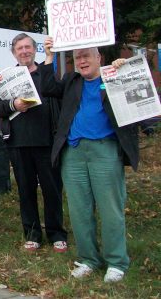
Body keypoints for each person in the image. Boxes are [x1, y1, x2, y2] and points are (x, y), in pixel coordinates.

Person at [41, 38, 138, 283]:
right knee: (79, 210)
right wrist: (50, 57)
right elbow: (48, 87)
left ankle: (116, 262)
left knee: (110, 209)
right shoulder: (72, 81)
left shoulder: (112, 77)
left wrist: (125, 67)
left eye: (87, 56)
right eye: (78, 57)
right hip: (73, 153)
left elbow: (137, 96)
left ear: (99, 59)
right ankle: (88, 259)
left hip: (104, 151)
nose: (82, 61)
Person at [0, 34, 67, 252]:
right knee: (26, 190)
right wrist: (13, 104)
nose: (24, 51)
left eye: (28, 47)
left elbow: (59, 95)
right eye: (19, 49)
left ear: (35, 50)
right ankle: (32, 234)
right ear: (14, 53)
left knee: (52, 190)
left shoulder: (46, 72)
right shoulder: (7, 78)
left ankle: (56, 233)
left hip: (47, 142)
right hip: (19, 143)